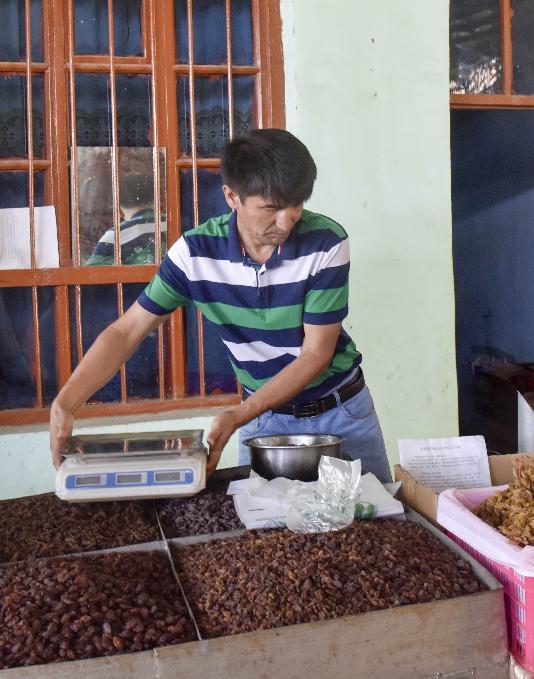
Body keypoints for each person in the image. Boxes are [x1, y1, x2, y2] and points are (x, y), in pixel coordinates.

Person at [50, 129, 392, 483]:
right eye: (271, 209)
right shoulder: (195, 254)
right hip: (263, 422)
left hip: (341, 412)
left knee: (378, 518)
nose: (286, 221)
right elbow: (126, 331)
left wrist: (239, 414)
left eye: (296, 206)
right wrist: (66, 402)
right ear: (232, 197)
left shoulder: (325, 243)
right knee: (265, 533)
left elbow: (315, 354)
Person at [84, 174, 166, 266]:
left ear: (118, 211)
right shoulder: (174, 225)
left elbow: (91, 274)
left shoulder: (115, 236)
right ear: (160, 201)